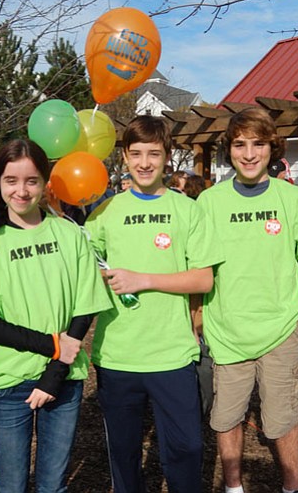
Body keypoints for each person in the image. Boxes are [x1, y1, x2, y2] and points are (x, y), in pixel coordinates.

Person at [197, 107, 298, 493]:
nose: (249, 153)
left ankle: (293, 487)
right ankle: (234, 487)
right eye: (240, 144)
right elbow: (199, 268)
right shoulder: (209, 202)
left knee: (281, 420)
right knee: (226, 418)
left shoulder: (294, 200)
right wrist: (199, 318)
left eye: (258, 143)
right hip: (227, 333)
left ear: (272, 148)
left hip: (280, 332)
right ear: (230, 150)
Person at [85, 115, 222, 492]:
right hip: (117, 355)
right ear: (124, 159)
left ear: (167, 157)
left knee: (187, 447)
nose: (144, 162)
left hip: (173, 353)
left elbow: (203, 278)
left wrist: (143, 280)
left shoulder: (187, 210)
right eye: (136, 154)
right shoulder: (104, 213)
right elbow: (84, 266)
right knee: (124, 453)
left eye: (154, 154)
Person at [0, 139, 111, 493]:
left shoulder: (68, 234)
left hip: (64, 380)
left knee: (52, 485)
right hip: (7, 381)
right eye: (11, 180)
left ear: (46, 183)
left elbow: (85, 303)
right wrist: (53, 348)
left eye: (31, 180)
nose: (21, 190)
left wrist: (55, 372)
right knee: (12, 485)